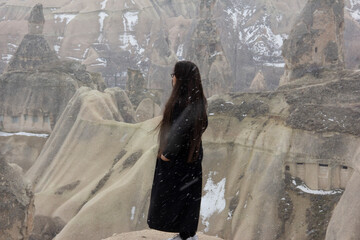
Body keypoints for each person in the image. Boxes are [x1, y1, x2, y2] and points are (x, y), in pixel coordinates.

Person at [147, 61, 208, 240]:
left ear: (181, 78)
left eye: (174, 74)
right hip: (190, 157)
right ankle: (186, 234)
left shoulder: (182, 102)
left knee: (175, 196)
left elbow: (180, 130)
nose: (172, 78)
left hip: (179, 159)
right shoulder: (197, 100)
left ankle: (186, 235)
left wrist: (168, 153)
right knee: (188, 196)